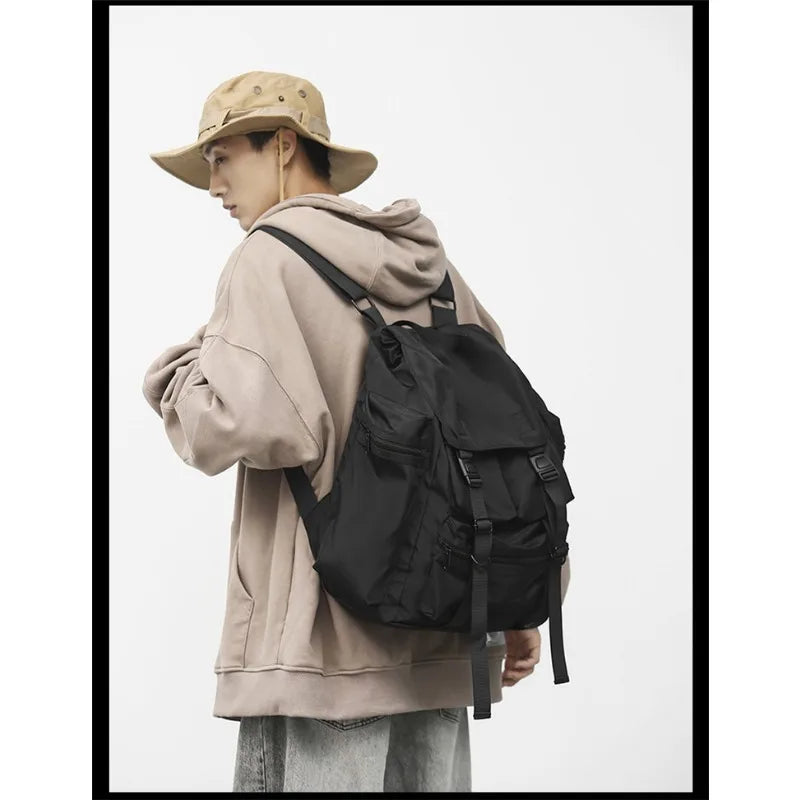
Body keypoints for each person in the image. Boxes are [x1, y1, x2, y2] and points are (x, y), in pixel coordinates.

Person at [143, 70, 570, 793]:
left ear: (283, 145)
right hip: (443, 636)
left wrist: (178, 371)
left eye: (222, 158)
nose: (214, 186)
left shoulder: (269, 257)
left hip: (322, 653)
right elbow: (503, 439)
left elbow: (228, 425)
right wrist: (517, 603)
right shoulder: (434, 271)